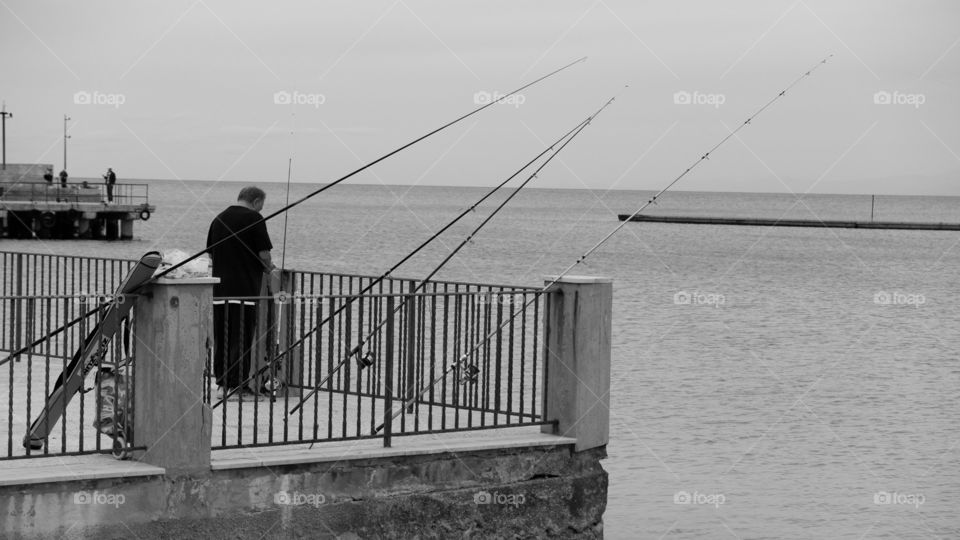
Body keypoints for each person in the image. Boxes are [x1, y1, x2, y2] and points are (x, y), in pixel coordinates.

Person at [206, 187, 275, 401]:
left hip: (219, 291)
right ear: (255, 201)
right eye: (261, 205)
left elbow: (210, 252)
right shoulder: (255, 218)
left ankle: (222, 385)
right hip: (245, 290)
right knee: (242, 338)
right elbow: (264, 254)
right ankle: (238, 387)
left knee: (223, 337)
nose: (261, 209)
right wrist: (269, 268)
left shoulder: (219, 219)